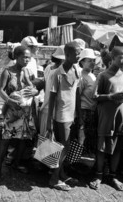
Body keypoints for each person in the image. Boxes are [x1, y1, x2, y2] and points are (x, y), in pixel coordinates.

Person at [0, 46, 38, 181]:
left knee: (22, 139)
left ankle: (16, 163)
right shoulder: (8, 72)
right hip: (12, 112)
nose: (27, 60)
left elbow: (35, 88)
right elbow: (0, 90)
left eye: (29, 57)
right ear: (16, 57)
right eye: (24, 57)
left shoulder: (29, 72)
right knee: (6, 139)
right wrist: (9, 101)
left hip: (26, 112)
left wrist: (36, 91)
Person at [89, 47, 123, 191]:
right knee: (102, 147)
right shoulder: (103, 76)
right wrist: (110, 97)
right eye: (121, 57)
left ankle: (113, 176)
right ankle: (98, 175)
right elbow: (93, 96)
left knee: (118, 146)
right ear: (112, 58)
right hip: (106, 115)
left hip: (121, 114)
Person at [46, 41, 82, 191]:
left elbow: (78, 94)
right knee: (63, 147)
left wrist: (79, 116)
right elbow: (52, 99)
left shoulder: (77, 70)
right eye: (77, 53)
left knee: (64, 146)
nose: (79, 55)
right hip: (61, 116)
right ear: (67, 55)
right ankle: (54, 178)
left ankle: (61, 173)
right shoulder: (57, 74)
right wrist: (49, 122)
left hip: (71, 115)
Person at [39, 46, 65, 135]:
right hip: (54, 110)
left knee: (45, 139)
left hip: (46, 107)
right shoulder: (60, 72)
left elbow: (45, 86)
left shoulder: (48, 68)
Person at [76, 48, 97, 155]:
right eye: (89, 60)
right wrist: (80, 117)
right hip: (84, 111)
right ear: (82, 62)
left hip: (91, 111)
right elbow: (77, 97)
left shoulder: (92, 75)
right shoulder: (81, 77)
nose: (92, 63)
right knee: (81, 139)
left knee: (88, 138)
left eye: (93, 60)